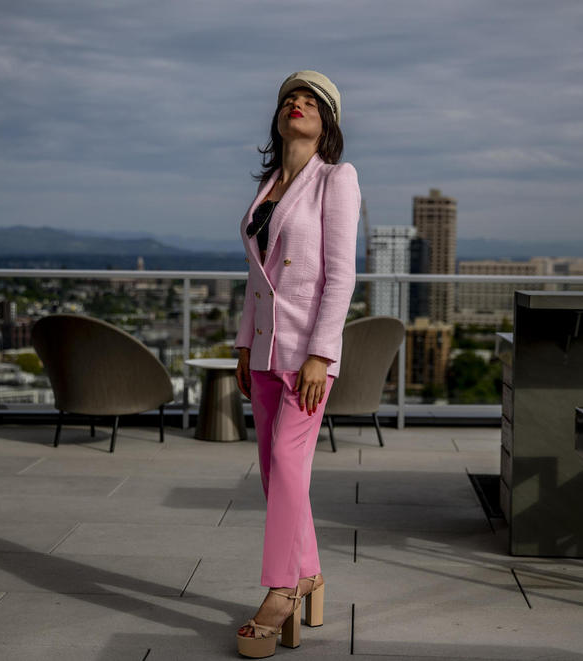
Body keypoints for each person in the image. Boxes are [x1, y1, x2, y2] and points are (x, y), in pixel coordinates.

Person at [233, 70, 360, 658]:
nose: (298, 103)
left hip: (307, 356)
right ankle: (308, 572)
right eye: (290, 98)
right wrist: (241, 344)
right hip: (262, 353)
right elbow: (256, 280)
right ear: (279, 117)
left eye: (311, 100)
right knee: (275, 474)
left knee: (287, 465)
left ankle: (282, 590)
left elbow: (340, 275)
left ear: (326, 121)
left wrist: (321, 353)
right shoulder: (268, 188)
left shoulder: (336, 179)